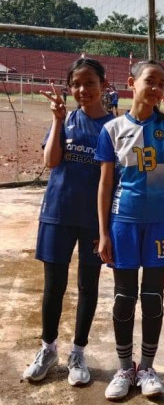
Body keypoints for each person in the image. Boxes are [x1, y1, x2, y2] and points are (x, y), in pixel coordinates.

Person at [96, 59, 164, 401]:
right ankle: (124, 368)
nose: (157, 88)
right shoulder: (112, 129)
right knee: (124, 297)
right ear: (132, 83)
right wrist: (104, 232)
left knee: (152, 297)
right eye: (151, 81)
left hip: (159, 222)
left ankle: (146, 367)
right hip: (124, 223)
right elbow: (106, 184)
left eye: (162, 83)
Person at [23, 59, 114, 386]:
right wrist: (57, 120)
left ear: (104, 85)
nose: (82, 89)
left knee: (88, 286)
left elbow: (112, 178)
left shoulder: (113, 127)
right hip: (58, 213)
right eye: (76, 84)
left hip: (93, 220)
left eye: (89, 83)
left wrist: (107, 229)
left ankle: (78, 352)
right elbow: (51, 161)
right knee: (54, 286)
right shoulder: (66, 119)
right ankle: (48, 349)